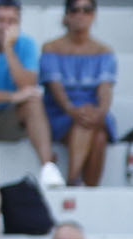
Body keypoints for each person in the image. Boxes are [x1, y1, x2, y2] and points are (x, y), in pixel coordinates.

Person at [0, 0, 61, 188]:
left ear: (19, 23)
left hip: (11, 119)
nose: (5, 26)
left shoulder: (27, 44)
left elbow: (27, 85)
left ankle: (47, 167)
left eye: (11, 21)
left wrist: (8, 49)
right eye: (0, 20)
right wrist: (11, 96)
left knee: (33, 102)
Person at [38, 0, 115, 188]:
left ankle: (74, 181)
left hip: (91, 112)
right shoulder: (51, 48)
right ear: (66, 15)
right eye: (74, 10)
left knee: (94, 129)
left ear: (94, 15)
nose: (80, 15)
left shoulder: (104, 51)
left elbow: (105, 89)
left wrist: (100, 111)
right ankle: (78, 183)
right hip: (60, 112)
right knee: (95, 133)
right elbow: (55, 88)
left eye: (86, 10)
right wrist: (71, 109)